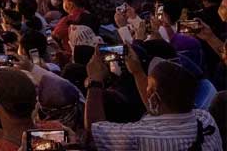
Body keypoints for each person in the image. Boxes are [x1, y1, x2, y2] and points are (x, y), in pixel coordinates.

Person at [84, 50, 221, 151]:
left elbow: (94, 131)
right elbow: (161, 109)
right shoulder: (205, 119)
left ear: (154, 99)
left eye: (149, 87)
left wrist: (94, 82)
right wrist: (137, 72)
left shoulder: (141, 136)